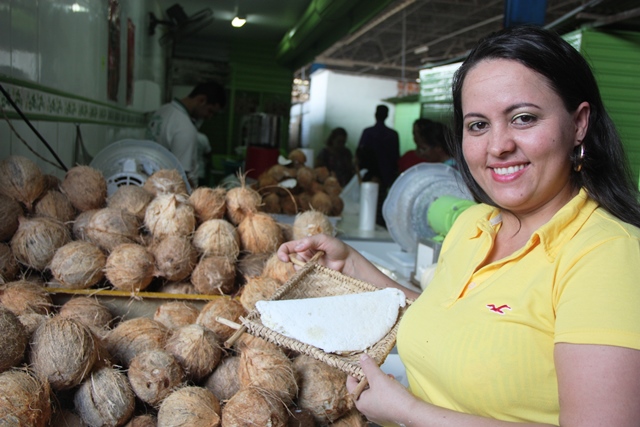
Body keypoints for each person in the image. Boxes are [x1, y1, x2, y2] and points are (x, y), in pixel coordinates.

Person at [278, 25, 640, 426]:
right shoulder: (474, 224)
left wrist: (407, 411)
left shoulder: (609, 255)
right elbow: (453, 321)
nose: (498, 146)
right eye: (478, 125)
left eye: (523, 118)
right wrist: (352, 264)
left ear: (579, 124)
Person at [146, 81, 226, 188]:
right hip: (169, 191)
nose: (209, 117)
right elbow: (182, 177)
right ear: (201, 100)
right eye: (210, 111)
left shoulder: (162, 110)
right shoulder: (185, 127)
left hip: (151, 181)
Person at [356, 104, 400, 227]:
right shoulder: (393, 135)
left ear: (375, 115)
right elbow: (395, 158)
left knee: (366, 209)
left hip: (369, 177)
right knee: (382, 209)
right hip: (385, 178)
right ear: (387, 116)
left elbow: (359, 155)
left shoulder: (368, 132)